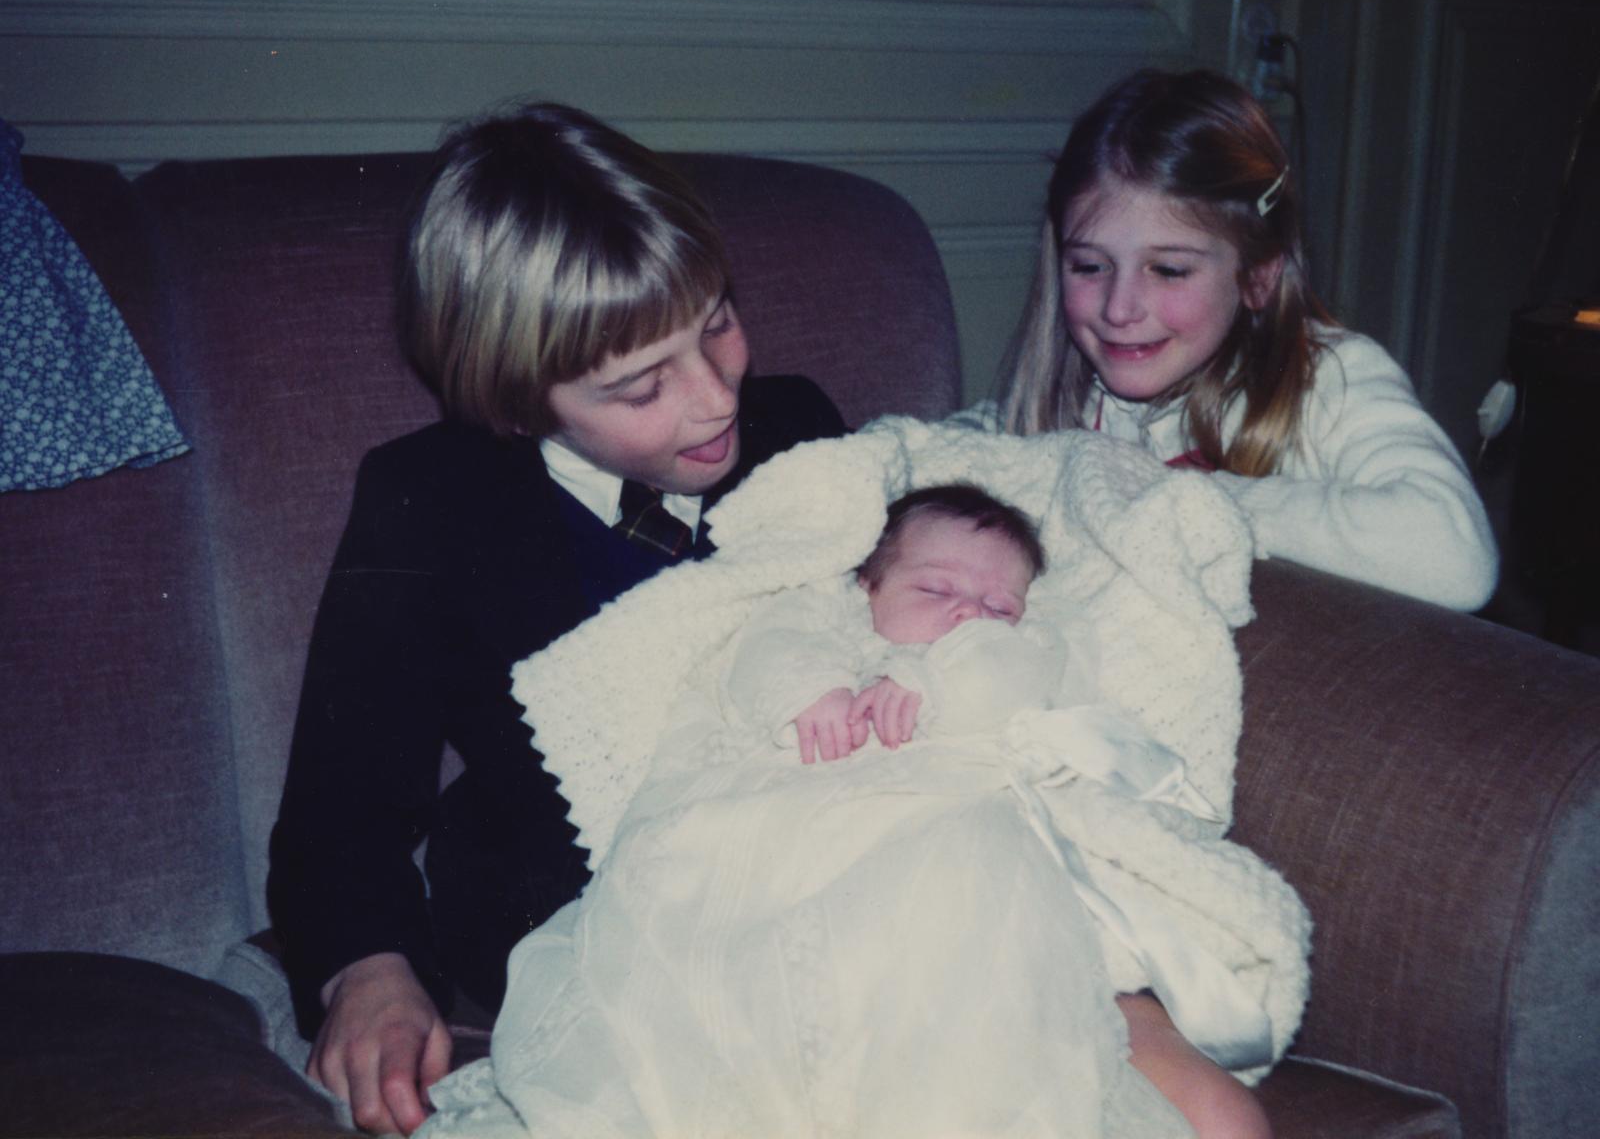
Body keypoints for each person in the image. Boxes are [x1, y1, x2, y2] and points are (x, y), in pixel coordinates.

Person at [265, 102, 845, 1136]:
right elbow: (343, 798)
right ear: (522, 402)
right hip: (577, 904)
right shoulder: (428, 501)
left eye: (716, 323)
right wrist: (369, 967)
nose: (715, 401)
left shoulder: (799, 427)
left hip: (809, 863)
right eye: (639, 386)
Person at [416, 484, 1287, 1138]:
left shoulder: (1015, 650)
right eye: (936, 589)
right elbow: (759, 657)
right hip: (766, 830)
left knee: (961, 881)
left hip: (930, 830)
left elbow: (1014, 678)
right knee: (707, 935)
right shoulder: (818, 621)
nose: (968, 615)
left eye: (997, 605)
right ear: (868, 584)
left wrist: (928, 674)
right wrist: (816, 689)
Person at [993, 67, 1497, 618]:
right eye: (1089, 266)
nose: (1119, 308)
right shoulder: (1069, 397)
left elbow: (1457, 559)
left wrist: (1177, 499)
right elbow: (968, 455)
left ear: (1258, 276)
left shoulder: (1329, 378)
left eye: (1168, 270)